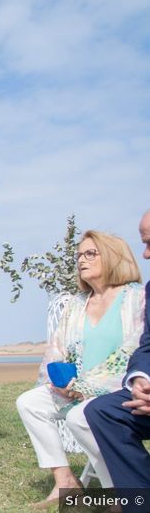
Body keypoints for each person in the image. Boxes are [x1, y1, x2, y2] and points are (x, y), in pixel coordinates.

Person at [16, 229, 145, 508]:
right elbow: (57, 350)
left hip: (118, 388)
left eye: (90, 254)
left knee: (82, 416)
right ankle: (66, 482)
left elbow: (135, 350)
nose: (81, 260)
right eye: (79, 255)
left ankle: (120, 493)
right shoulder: (76, 304)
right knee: (29, 402)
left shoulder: (137, 298)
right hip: (74, 386)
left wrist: (86, 387)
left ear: (112, 257)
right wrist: (60, 381)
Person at [85, 211, 150, 505]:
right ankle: (138, 500)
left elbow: (126, 348)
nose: (145, 255)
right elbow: (147, 346)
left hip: (102, 381)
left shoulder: (134, 296)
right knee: (102, 411)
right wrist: (141, 380)